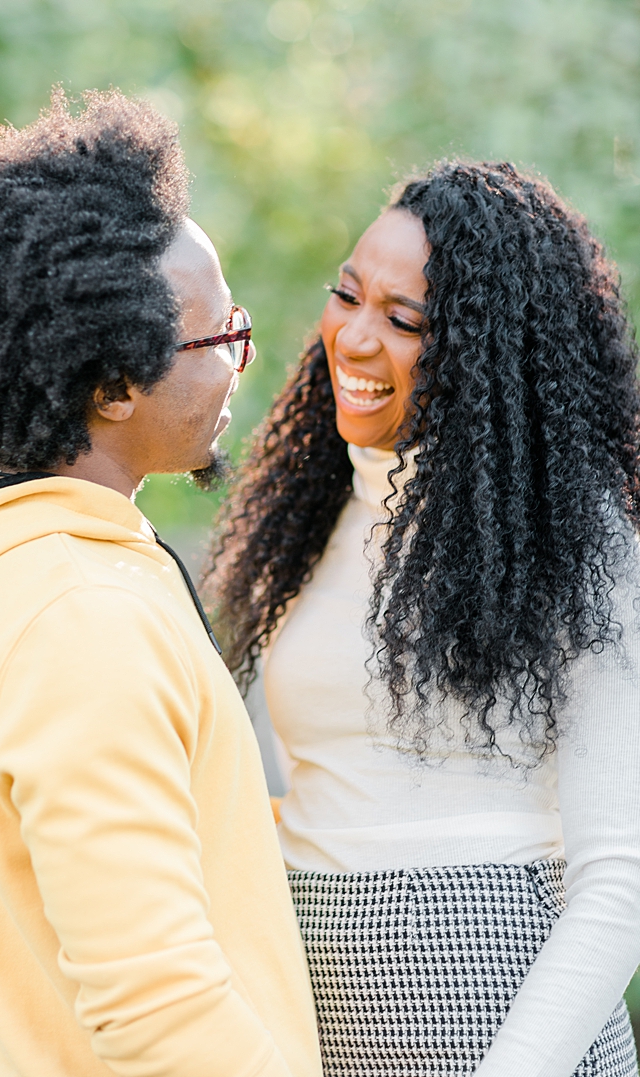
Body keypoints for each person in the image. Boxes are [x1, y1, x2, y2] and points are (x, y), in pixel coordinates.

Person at [208, 160, 640, 1077]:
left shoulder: (575, 535)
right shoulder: (309, 513)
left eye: (405, 322)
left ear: (491, 351)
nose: (355, 339)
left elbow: (621, 885)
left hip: (506, 1030)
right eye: (347, 295)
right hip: (318, 1020)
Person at [0, 90, 321, 1077]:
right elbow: (157, 1009)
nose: (240, 361)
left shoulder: (21, 562)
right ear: (111, 386)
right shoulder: (80, 619)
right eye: (217, 337)